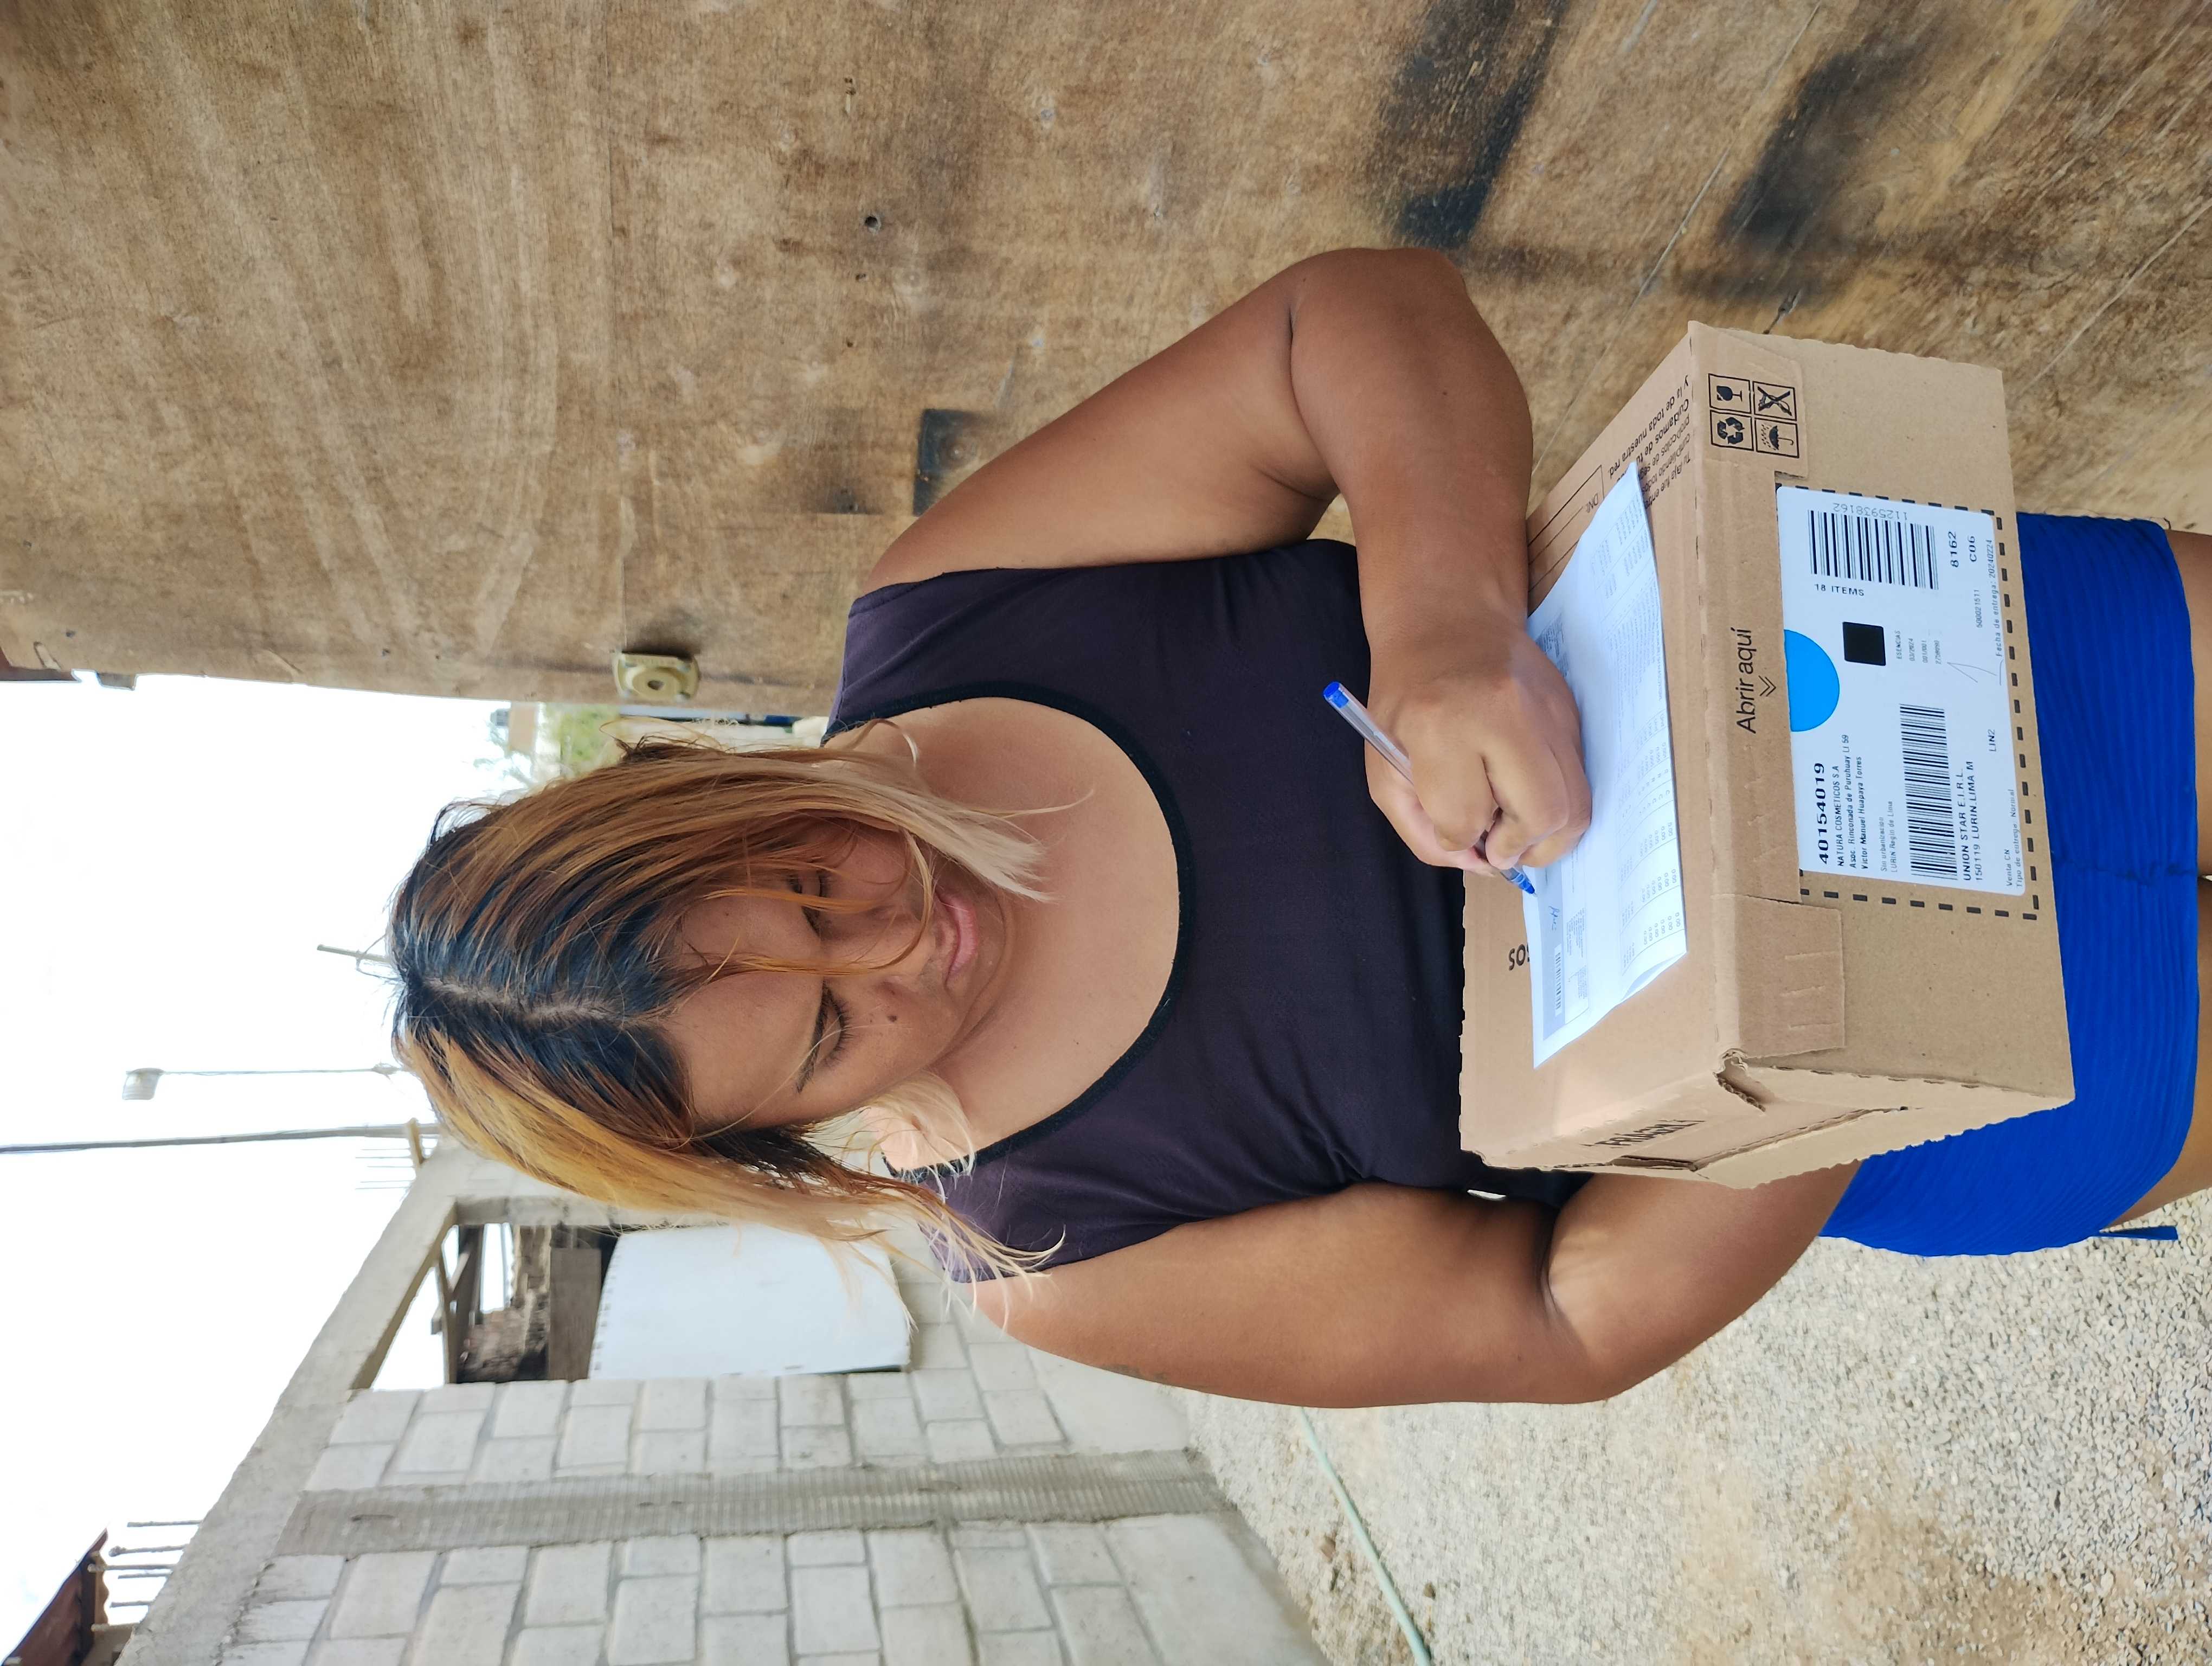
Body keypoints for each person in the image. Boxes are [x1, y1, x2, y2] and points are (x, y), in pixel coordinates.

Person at [389, 248, 2210, 1408]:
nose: (898, 941)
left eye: (809, 880)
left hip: (1945, 663)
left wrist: (1442, 620)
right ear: (779, 1143)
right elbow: (1555, 1325)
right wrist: (1817, 1025)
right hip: (1973, 1086)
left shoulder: (960, 610)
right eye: (827, 1034)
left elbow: (1345, 322)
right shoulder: (1058, 1253)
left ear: (717, 791)